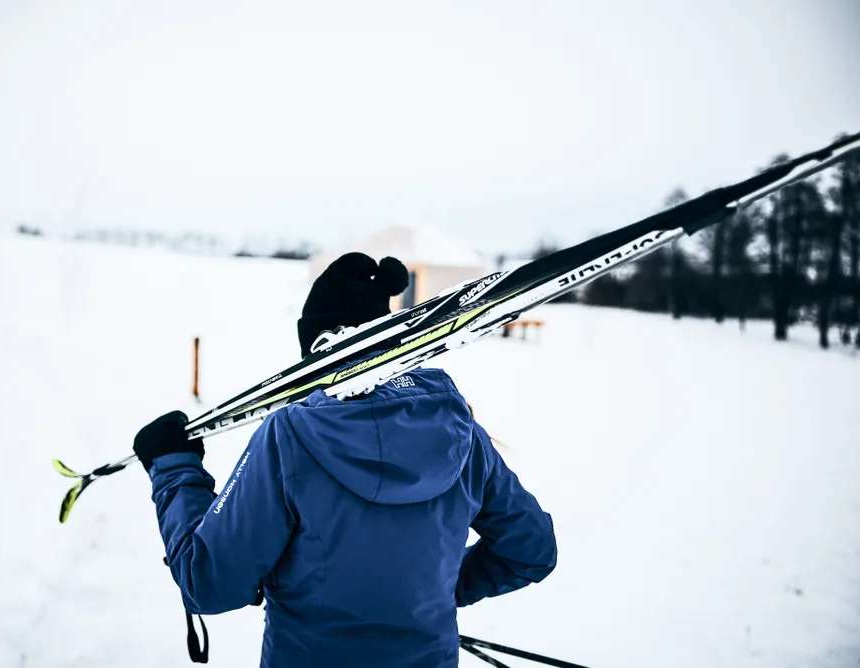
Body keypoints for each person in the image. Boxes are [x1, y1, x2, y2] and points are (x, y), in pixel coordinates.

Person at [133, 252, 558, 668]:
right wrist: (426, 597)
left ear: (317, 350)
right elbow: (531, 549)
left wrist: (174, 467)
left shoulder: (290, 437)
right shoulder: (461, 432)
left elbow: (210, 582)